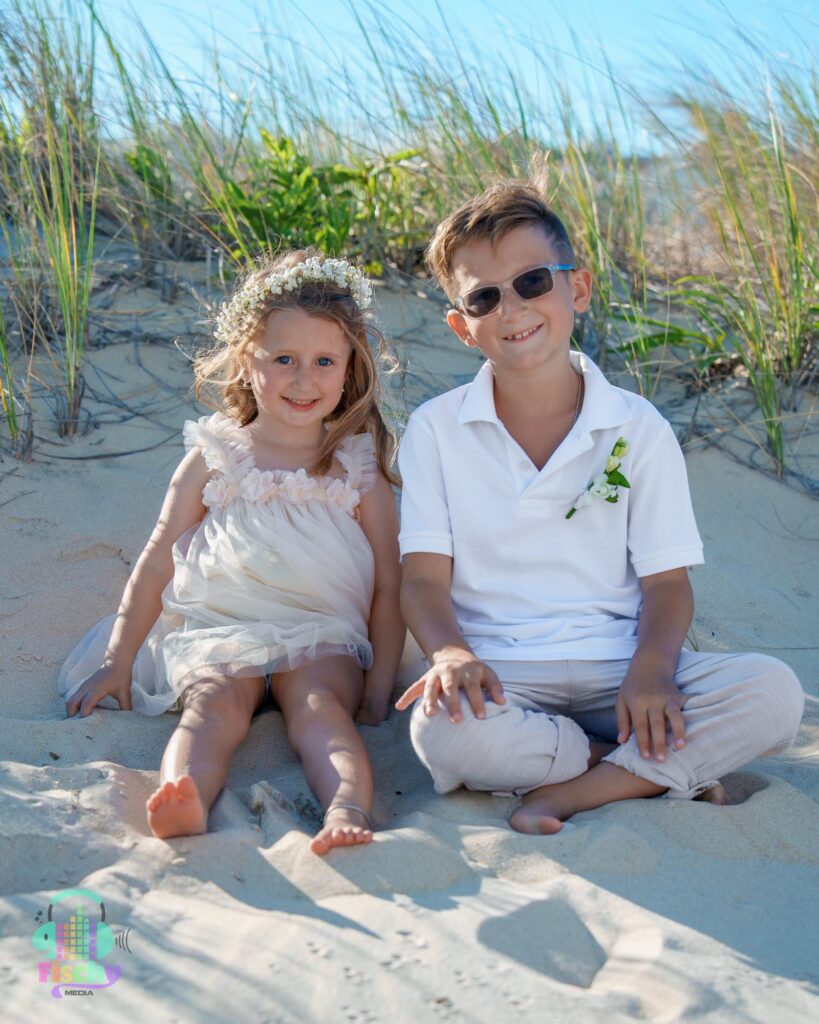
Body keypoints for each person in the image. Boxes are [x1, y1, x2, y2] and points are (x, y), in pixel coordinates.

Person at [394, 179, 804, 834]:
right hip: (501, 672)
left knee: (773, 692)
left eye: (532, 282)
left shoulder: (637, 427)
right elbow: (421, 581)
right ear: (461, 326)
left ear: (577, 288)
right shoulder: (435, 429)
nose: (512, 309)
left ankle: (567, 791)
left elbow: (666, 583)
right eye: (483, 297)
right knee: (441, 732)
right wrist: (449, 655)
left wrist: (652, 670)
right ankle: (622, 768)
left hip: (622, 668)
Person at [59, 249, 404, 853]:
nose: (304, 379)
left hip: (322, 630)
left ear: (350, 367)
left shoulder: (356, 464)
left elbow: (388, 581)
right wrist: (118, 658)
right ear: (248, 359)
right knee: (212, 705)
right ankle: (186, 793)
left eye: (324, 361)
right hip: (223, 625)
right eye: (284, 359)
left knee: (321, 709)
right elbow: (159, 556)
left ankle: (347, 805)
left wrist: (379, 682)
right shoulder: (216, 453)